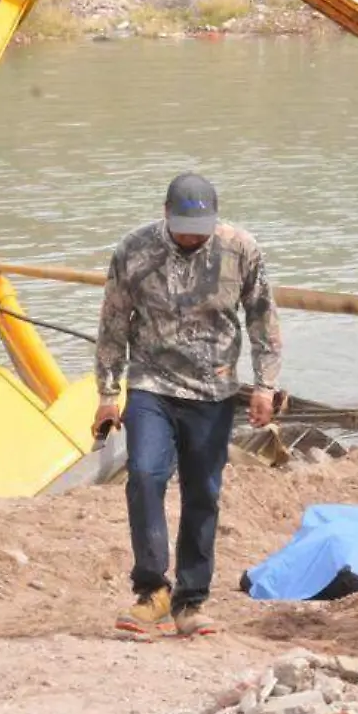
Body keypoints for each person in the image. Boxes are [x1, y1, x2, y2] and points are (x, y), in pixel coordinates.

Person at [93, 172, 282, 639]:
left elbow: (262, 318)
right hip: (151, 383)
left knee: (203, 492)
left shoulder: (241, 250)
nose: (192, 239)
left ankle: (190, 600)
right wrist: (106, 393)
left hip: (214, 389)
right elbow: (113, 323)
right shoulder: (133, 251)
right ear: (164, 214)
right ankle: (151, 590)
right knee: (144, 475)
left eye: (201, 231)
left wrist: (264, 385)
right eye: (183, 230)